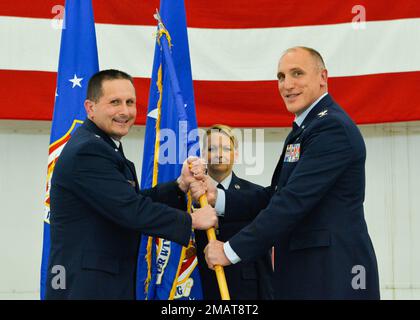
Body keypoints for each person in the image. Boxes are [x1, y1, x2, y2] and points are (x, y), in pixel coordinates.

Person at [197, 47, 380, 299]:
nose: (287, 85)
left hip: (332, 275)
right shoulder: (306, 128)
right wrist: (218, 197)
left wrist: (230, 251)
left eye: (297, 73)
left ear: (323, 77)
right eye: (281, 77)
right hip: (307, 274)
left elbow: (292, 202)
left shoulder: (331, 128)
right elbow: (275, 196)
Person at [45, 69, 217, 300]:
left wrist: (180, 185)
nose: (124, 111)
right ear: (90, 108)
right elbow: (131, 210)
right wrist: (192, 221)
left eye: (130, 102)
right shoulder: (89, 150)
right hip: (89, 287)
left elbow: (125, 201)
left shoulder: (102, 144)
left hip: (99, 283)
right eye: (115, 102)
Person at [195, 124, 274, 299]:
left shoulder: (256, 195)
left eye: (226, 148)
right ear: (202, 154)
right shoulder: (190, 197)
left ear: (236, 154)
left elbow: (263, 253)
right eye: (211, 148)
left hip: (246, 289)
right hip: (199, 286)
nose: (219, 154)